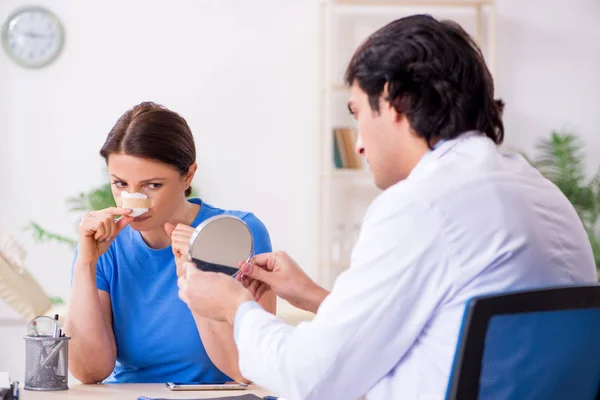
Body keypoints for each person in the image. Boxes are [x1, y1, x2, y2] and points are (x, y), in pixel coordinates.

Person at [176, 14, 598, 400]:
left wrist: (235, 308)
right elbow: (456, 332)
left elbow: (312, 379)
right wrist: (312, 295)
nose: (358, 142)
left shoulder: (422, 205)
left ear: (394, 101)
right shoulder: (540, 192)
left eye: (358, 113)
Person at [63, 102, 276, 384]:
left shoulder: (237, 233)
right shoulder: (105, 245)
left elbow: (246, 369)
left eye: (152, 185)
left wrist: (193, 274)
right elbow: (89, 372)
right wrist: (85, 264)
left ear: (188, 175)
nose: (133, 202)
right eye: (120, 184)